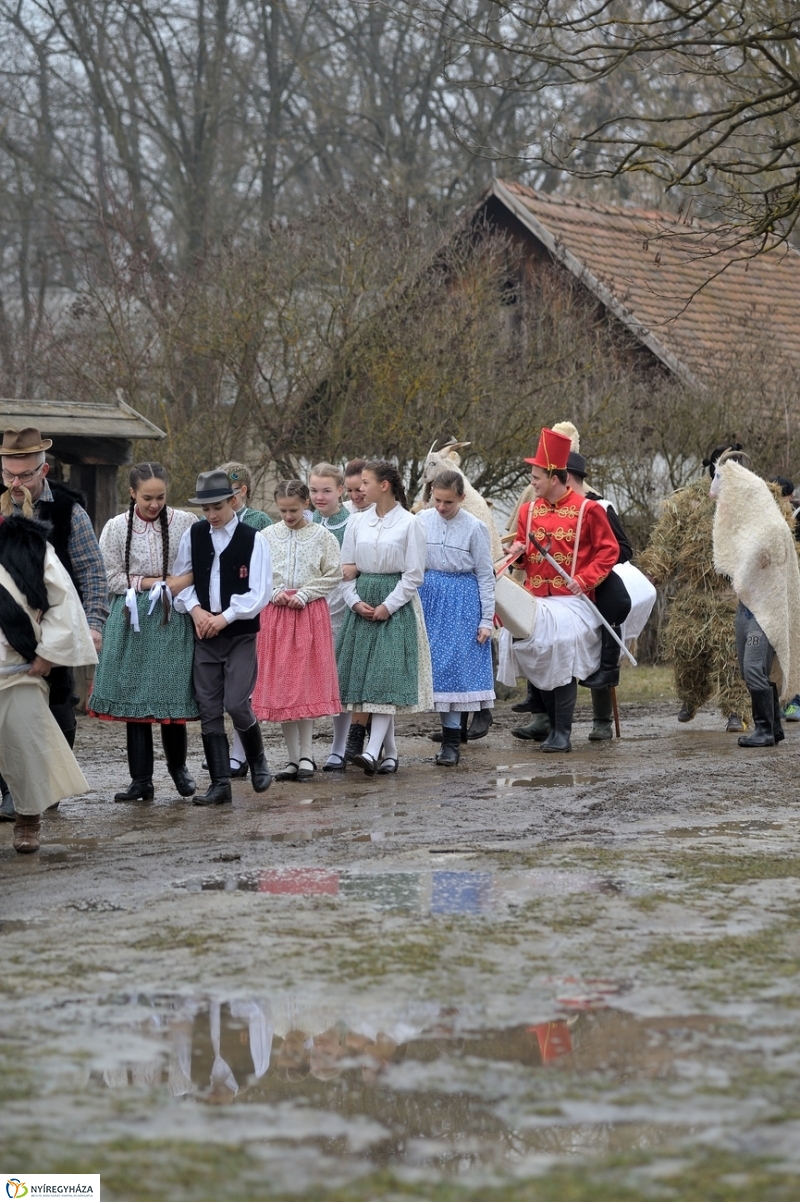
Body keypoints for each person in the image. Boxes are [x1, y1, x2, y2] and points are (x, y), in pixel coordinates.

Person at [0, 426, 108, 820]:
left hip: (56, 628)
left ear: (42, 471)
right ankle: (13, 791)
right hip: (3, 634)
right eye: (8, 474)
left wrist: (93, 625)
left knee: (58, 712)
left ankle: (42, 791)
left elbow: (92, 573)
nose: (15, 482)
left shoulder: (67, 511)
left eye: (24, 475)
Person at [88, 463, 199, 801]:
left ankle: (179, 770)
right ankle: (141, 780)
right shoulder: (116, 527)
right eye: (148, 497)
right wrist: (152, 582)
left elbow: (199, 564)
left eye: (161, 497)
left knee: (171, 694)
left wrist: (176, 583)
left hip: (171, 615)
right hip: (132, 618)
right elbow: (109, 576)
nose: (155, 504)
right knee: (135, 697)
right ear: (133, 493)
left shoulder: (186, 522)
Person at [505, 428, 619, 752]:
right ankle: (547, 722)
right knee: (529, 641)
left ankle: (561, 731)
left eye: (537, 477)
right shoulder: (529, 512)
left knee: (559, 642)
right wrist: (519, 552)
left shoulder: (589, 510)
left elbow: (608, 551)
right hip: (538, 599)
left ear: (556, 477)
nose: (532, 483)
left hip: (574, 600)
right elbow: (527, 559)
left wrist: (583, 579)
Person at [172, 470, 273, 804]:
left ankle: (257, 760)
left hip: (239, 633)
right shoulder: (195, 534)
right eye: (206, 509)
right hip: (204, 634)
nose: (212, 515)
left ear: (233, 500)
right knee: (209, 708)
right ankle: (220, 785)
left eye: (217, 507)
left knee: (236, 703)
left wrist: (225, 617)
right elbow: (182, 580)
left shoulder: (253, 538)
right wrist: (197, 611)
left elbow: (260, 593)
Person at [0, 510, 97, 852]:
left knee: (26, 747)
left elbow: (63, 603)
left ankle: (28, 818)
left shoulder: (32, 545)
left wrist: (48, 653)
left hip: (17, 669)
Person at [638, 444, 751, 732]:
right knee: (685, 649)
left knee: (731, 652)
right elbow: (666, 542)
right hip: (693, 594)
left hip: (732, 596)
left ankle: (736, 711)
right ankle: (690, 698)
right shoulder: (688, 502)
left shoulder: (752, 499)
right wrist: (653, 572)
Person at [336, 459, 434, 775]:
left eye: (365, 483)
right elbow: (346, 567)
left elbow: (414, 574)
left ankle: (370, 749)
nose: (360, 489)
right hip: (363, 602)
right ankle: (387, 752)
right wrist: (353, 601)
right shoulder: (356, 522)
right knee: (366, 679)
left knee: (385, 678)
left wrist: (388, 606)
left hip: (395, 606)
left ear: (384, 486)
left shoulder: (410, 523)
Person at [252, 480, 342, 781]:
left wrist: (306, 593)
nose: (288, 516)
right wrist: (273, 590)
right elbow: (257, 573)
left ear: (306, 504)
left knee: (304, 684)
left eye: (294, 509)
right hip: (276, 616)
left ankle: (307, 755)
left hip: (308, 613)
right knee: (282, 686)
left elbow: (334, 573)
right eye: (283, 510)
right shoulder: (266, 536)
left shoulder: (322, 536)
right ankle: (292, 758)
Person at [711, 453, 800, 747]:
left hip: (767, 610)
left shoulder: (773, 528)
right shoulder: (748, 526)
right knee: (749, 668)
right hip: (748, 605)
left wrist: (740, 574)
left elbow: (760, 568)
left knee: (753, 668)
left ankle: (763, 728)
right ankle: (773, 727)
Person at [417, 469, 495, 766]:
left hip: (462, 601)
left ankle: (451, 744)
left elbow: (485, 575)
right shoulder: (422, 521)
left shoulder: (474, 527)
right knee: (434, 670)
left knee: (455, 672)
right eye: (437, 500)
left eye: (448, 502)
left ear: (461, 498)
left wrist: (486, 619)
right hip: (429, 598)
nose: (441, 507)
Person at [308, 462, 358, 772]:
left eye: (326, 490)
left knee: (341, 679)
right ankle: (303, 750)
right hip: (311, 604)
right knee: (310, 678)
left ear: (341, 491)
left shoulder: (353, 523)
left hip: (342, 603)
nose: (319, 497)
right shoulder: (304, 520)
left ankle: (339, 747)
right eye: (314, 490)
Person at [217, 461, 272, 531]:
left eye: (227, 490)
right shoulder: (210, 519)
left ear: (243, 491)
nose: (222, 495)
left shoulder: (261, 520)